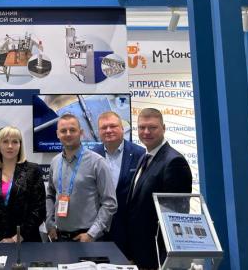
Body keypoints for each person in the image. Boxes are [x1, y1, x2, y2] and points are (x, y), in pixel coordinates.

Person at [125, 108, 192, 270]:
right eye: (142, 127)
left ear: (164, 128)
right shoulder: (145, 157)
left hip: (158, 255)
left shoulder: (174, 162)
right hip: (141, 251)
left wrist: (165, 261)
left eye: (152, 127)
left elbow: (174, 217)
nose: (146, 132)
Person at [45, 113, 117, 242]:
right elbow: (50, 195)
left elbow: (110, 203)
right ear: (57, 134)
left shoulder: (97, 162)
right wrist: (49, 223)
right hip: (59, 237)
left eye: (72, 130)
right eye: (63, 131)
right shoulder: (55, 162)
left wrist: (92, 234)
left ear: (81, 132)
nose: (68, 134)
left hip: (87, 238)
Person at [0, 126, 46, 243]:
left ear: (20, 145)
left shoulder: (33, 170)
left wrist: (17, 238)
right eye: (5, 141)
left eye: (15, 142)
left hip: (28, 242)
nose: (10, 146)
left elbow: (39, 209)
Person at [93, 111, 145, 254]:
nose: (108, 130)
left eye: (113, 126)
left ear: (122, 128)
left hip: (129, 229)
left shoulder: (140, 154)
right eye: (104, 127)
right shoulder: (91, 155)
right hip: (98, 230)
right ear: (99, 132)